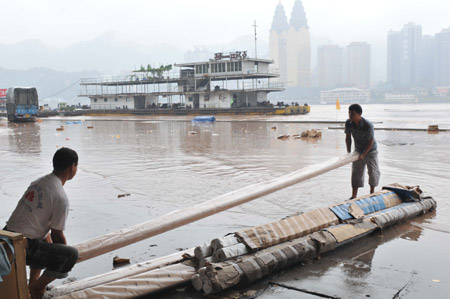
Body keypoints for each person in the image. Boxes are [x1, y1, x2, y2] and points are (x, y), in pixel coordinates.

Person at [4, 147, 79, 299]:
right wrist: (63, 255)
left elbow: (43, 231)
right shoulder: (60, 197)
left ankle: (33, 283)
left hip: (7, 237)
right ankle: (37, 288)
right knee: (71, 255)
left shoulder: (39, 182)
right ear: (72, 167)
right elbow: (57, 234)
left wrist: (54, 249)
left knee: (45, 244)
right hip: (23, 246)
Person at [345, 104, 380, 199]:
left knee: (373, 172)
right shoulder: (348, 123)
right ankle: (354, 195)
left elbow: (371, 141)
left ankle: (372, 193)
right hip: (358, 150)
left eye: (353, 113)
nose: (350, 115)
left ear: (359, 114)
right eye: (349, 113)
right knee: (356, 173)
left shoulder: (368, 125)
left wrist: (364, 154)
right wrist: (348, 152)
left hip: (371, 150)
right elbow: (348, 138)